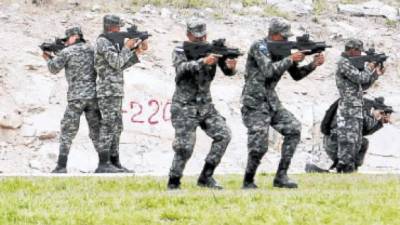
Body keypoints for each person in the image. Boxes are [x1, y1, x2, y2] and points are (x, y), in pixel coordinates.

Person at [241, 18, 325, 189]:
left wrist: (313, 64)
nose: (287, 40)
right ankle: (248, 181)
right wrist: (290, 58)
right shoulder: (260, 46)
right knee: (259, 145)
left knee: (294, 129)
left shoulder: (283, 51)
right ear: (274, 34)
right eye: (283, 36)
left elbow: (297, 75)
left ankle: (281, 176)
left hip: (271, 102)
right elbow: (268, 71)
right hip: (254, 102)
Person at [167, 18, 238, 190]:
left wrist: (231, 66)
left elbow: (228, 72)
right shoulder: (179, 50)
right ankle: (174, 182)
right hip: (184, 106)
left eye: (202, 36)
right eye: (195, 36)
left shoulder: (212, 50)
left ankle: (206, 177)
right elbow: (181, 69)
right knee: (184, 147)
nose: (199, 39)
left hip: (206, 106)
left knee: (224, 135)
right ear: (188, 35)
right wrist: (203, 62)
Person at [42, 27, 103, 173]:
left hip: (76, 98)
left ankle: (61, 166)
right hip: (93, 97)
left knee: (67, 131)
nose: (66, 42)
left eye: (67, 39)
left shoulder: (67, 52)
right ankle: (104, 164)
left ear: (74, 37)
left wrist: (48, 57)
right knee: (97, 132)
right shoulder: (93, 49)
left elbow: (53, 69)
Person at [94, 15, 148, 173]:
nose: (120, 30)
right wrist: (127, 46)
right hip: (106, 91)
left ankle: (115, 161)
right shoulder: (103, 41)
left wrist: (137, 50)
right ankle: (103, 163)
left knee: (117, 126)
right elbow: (116, 62)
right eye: (118, 27)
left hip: (115, 90)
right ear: (111, 27)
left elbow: (120, 66)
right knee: (108, 125)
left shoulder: (112, 42)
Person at [334, 38, 384, 173]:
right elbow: (360, 78)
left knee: (356, 140)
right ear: (352, 50)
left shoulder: (350, 63)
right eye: (359, 51)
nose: (361, 54)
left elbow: (363, 84)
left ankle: (351, 168)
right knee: (348, 141)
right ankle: (343, 168)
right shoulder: (343, 63)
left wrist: (375, 75)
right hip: (348, 108)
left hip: (356, 107)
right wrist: (369, 67)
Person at [306, 97, 391, 173]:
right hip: (335, 141)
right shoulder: (359, 110)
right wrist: (378, 121)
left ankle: (349, 168)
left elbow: (362, 132)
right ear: (373, 109)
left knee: (363, 142)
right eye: (381, 113)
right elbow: (364, 126)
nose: (381, 116)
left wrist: (380, 123)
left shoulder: (363, 109)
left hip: (341, 140)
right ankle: (342, 168)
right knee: (347, 165)